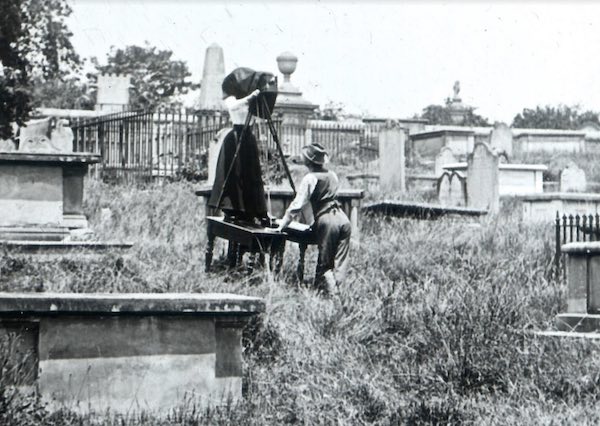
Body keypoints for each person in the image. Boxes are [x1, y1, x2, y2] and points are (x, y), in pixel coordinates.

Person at [277, 143, 351, 294]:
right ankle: (342, 298)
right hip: (343, 219)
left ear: (308, 161)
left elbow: (297, 205)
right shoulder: (332, 175)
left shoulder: (310, 178)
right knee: (340, 263)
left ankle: (331, 297)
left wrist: (282, 226)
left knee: (325, 265)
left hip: (328, 221)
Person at [208, 88, 269, 224]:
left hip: (249, 139)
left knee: (250, 173)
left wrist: (257, 99)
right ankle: (231, 209)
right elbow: (232, 106)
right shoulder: (233, 98)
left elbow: (261, 115)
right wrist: (249, 98)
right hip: (234, 138)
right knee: (232, 173)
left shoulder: (253, 101)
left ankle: (251, 210)